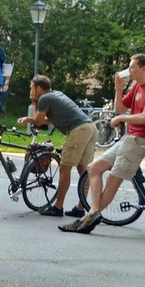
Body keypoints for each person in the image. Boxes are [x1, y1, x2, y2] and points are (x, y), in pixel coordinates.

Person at [61, 53, 145, 234]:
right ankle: (93, 213)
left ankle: (88, 217)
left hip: (140, 139)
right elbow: (119, 108)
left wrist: (121, 118)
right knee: (94, 168)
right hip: (129, 138)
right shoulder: (137, 87)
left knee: (113, 179)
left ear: (143, 68)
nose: (129, 70)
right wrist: (118, 89)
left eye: (132, 67)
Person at [17, 75, 95, 219]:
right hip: (89, 127)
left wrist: (34, 103)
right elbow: (49, 119)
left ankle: (58, 207)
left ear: (38, 88)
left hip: (77, 130)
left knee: (65, 168)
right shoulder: (56, 94)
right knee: (82, 169)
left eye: (31, 88)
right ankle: (81, 207)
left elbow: (38, 121)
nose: (30, 90)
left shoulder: (44, 99)